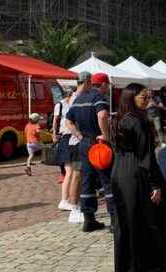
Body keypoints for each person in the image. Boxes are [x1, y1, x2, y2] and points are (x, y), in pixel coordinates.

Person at [110, 83, 166, 271]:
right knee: (152, 219)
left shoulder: (117, 119)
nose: (148, 101)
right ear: (131, 97)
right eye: (144, 97)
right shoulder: (137, 121)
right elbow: (145, 156)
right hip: (137, 173)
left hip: (119, 173)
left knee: (127, 221)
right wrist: (154, 184)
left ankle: (130, 265)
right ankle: (151, 264)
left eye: (149, 97)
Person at [65, 71, 115, 232]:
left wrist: (79, 135)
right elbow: (102, 115)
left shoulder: (79, 99)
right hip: (98, 142)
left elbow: (68, 121)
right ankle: (115, 220)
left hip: (84, 143)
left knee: (87, 180)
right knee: (107, 180)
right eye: (107, 85)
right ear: (103, 85)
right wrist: (106, 135)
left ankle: (89, 219)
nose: (108, 89)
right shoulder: (98, 97)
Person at [54, 88, 81, 211]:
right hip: (66, 138)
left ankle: (67, 199)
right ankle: (65, 200)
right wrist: (54, 134)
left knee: (70, 172)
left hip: (69, 138)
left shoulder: (71, 105)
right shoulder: (61, 105)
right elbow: (57, 121)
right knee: (69, 172)